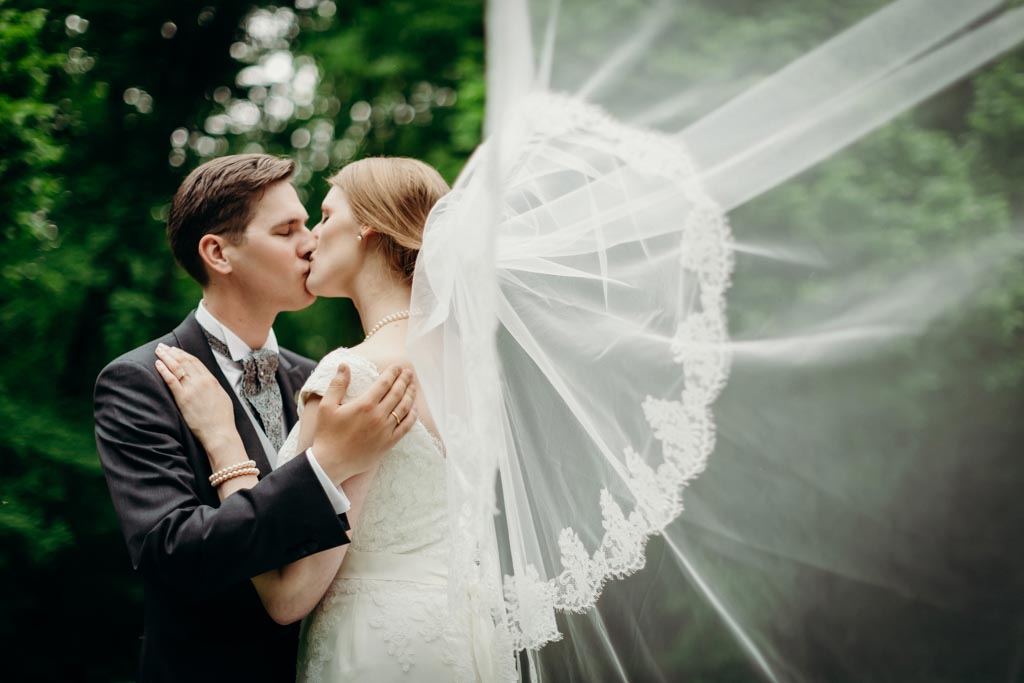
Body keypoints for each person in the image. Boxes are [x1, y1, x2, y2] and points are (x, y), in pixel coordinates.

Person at [153, 157, 502, 681]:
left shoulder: (351, 372)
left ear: (366, 230)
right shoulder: (472, 374)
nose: (313, 238)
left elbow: (287, 596)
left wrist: (225, 441)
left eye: (321, 216)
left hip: (376, 647)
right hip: (459, 638)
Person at [93, 154, 418, 683]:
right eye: (287, 230)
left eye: (309, 225)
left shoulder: (325, 378)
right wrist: (325, 466)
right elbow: (173, 551)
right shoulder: (141, 381)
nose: (310, 242)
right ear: (218, 252)